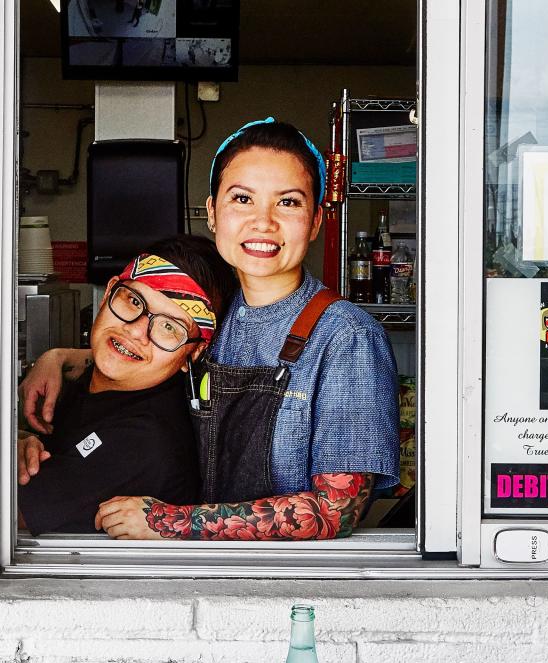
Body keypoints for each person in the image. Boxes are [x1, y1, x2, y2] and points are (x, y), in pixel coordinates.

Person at [21, 118, 400, 541]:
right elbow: (154, 351)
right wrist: (60, 359)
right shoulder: (213, 317)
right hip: (206, 570)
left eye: (288, 203)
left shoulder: (347, 338)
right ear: (213, 213)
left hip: (292, 579)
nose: (263, 222)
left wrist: (174, 522)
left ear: (314, 222)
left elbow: (336, 510)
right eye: (242, 198)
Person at [17, 235, 235, 535]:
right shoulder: (95, 377)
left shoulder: (147, 440)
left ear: (193, 353)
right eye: (133, 301)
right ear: (109, 294)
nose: (135, 331)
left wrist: (4, 450)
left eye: (169, 327)